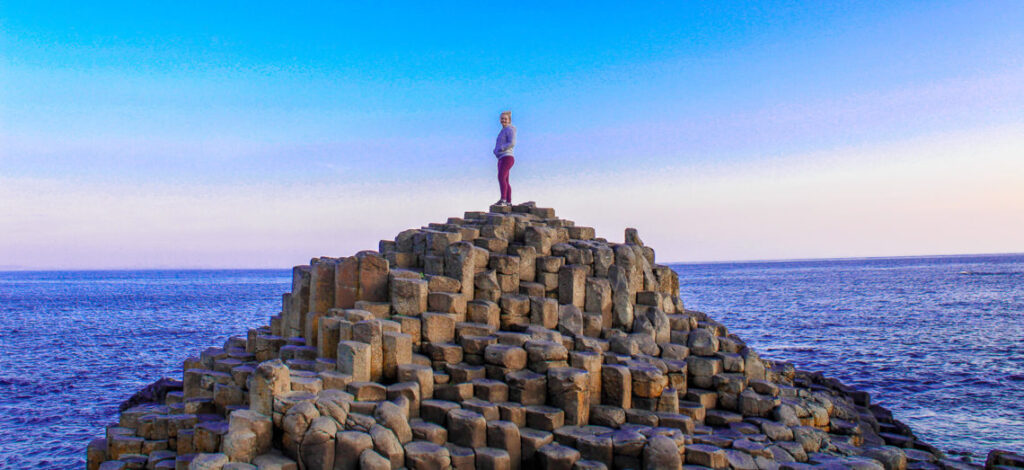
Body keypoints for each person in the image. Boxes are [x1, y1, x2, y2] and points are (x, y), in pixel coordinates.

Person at [493, 111, 516, 206]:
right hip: (501, 157)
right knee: (505, 179)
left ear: (509, 120)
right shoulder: (503, 130)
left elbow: (512, 142)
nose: (503, 120)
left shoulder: (510, 129)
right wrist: (495, 151)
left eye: (505, 118)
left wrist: (501, 148)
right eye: (502, 118)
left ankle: (503, 199)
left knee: (501, 177)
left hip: (507, 157)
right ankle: (508, 201)